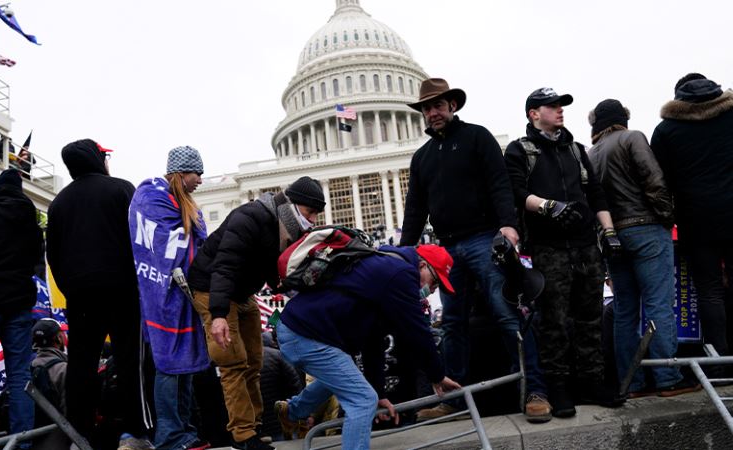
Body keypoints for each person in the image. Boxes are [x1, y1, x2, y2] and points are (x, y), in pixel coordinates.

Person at [400, 78, 551, 423]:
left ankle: (534, 390)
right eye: (427, 108)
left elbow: (499, 183)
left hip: (484, 238)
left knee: (506, 313)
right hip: (449, 249)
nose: (432, 112)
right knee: (452, 324)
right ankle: (453, 401)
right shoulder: (422, 158)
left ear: (452, 105)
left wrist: (508, 225)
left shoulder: (477, 137)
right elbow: (414, 208)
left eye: (438, 105)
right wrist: (405, 252)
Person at [504, 88, 623, 417]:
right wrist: (549, 207)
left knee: (591, 318)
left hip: (586, 246)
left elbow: (596, 192)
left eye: (561, 106)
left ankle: (592, 381)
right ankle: (558, 386)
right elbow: (516, 190)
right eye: (552, 106)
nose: (560, 110)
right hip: (548, 249)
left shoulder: (575, 149)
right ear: (533, 113)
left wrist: (609, 232)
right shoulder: (519, 150)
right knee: (553, 322)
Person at [274, 244, 460, 450]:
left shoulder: (386, 272)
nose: (432, 290)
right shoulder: (401, 273)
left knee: (344, 379)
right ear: (422, 265)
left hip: (301, 330)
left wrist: (379, 393)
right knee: (362, 400)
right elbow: (416, 330)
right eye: (434, 282)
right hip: (304, 334)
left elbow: (374, 341)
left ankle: (291, 413)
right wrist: (437, 375)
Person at [188, 176, 326, 450]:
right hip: (212, 289)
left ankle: (254, 423)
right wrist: (218, 315)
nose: (312, 221)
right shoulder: (249, 218)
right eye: (310, 213)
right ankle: (243, 435)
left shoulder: (285, 227)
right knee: (232, 361)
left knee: (254, 360)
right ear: (294, 205)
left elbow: (275, 271)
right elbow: (224, 266)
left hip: (241, 292)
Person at [588, 99, 700, 397]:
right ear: (622, 118)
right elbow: (654, 179)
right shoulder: (632, 137)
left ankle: (631, 383)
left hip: (613, 237)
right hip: (647, 228)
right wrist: (666, 217)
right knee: (658, 304)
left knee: (624, 310)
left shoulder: (592, 154)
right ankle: (668, 378)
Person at [46, 139, 152, 449]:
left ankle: (81, 433)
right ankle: (136, 431)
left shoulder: (59, 202)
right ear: (96, 158)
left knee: (82, 365)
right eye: (104, 156)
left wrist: (72, 287)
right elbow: (141, 240)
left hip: (80, 295)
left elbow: (53, 254)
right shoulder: (121, 189)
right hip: (122, 290)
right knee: (130, 361)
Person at [129, 145, 211, 450]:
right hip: (162, 295)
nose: (200, 180)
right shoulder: (151, 198)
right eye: (196, 173)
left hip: (184, 296)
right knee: (169, 365)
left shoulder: (184, 204)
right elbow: (160, 246)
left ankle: (185, 432)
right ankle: (170, 435)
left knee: (186, 365)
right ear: (180, 172)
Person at [651, 74, 733, 376]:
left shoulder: (667, 130)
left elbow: (660, 181)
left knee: (709, 291)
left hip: (696, 221)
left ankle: (721, 367)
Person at [0, 169, 42, 447]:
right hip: (19, 304)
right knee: (20, 376)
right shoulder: (31, 223)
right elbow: (37, 259)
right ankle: (21, 442)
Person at [30, 318, 70, 450]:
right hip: (57, 441)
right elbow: (69, 415)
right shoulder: (64, 369)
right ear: (58, 339)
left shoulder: (25, 369)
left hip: (29, 438)